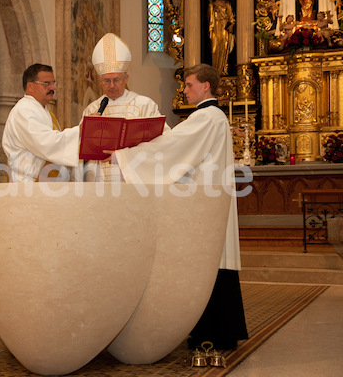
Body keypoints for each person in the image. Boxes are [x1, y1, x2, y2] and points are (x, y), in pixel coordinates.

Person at [106, 64, 248, 350]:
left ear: (205, 86)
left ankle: (212, 333)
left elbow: (172, 146)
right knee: (212, 262)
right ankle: (219, 331)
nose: (185, 90)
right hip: (207, 199)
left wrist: (125, 156)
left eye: (190, 85)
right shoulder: (212, 117)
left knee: (207, 263)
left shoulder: (207, 117)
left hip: (203, 203)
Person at [80, 33, 169, 182]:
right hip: (99, 182)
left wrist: (126, 154)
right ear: (99, 80)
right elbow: (81, 149)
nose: (112, 86)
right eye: (106, 81)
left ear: (126, 78)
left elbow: (163, 143)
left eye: (116, 80)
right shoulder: (92, 109)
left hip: (135, 179)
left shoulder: (144, 105)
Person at [2, 63, 81, 182]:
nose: (53, 88)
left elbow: (56, 146)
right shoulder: (23, 111)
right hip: (27, 186)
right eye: (46, 84)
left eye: (53, 83)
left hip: (45, 185)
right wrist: (81, 130)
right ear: (30, 86)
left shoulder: (47, 114)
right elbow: (46, 143)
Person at [208, 0, 236, 76]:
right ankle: (216, 69)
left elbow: (231, 17)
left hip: (224, 27)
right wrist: (211, 8)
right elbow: (209, 18)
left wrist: (232, 25)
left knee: (224, 47)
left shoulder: (227, 4)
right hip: (216, 27)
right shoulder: (211, 5)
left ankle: (224, 68)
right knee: (215, 48)